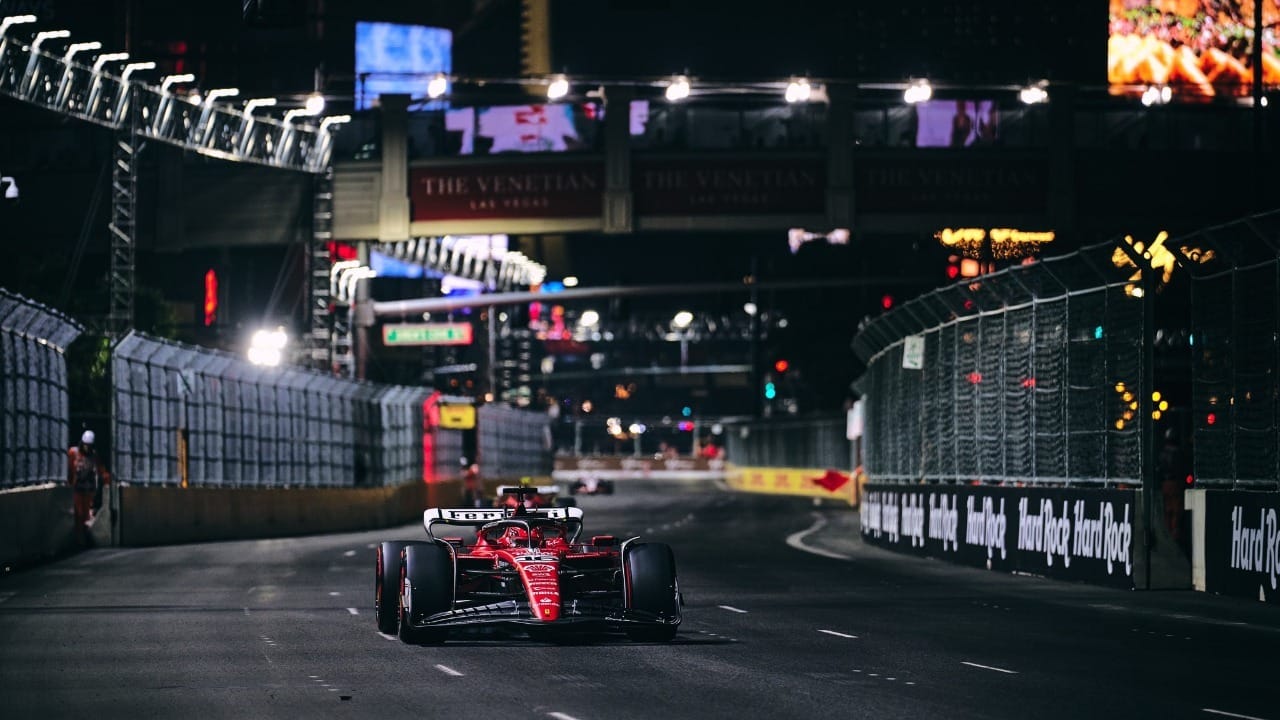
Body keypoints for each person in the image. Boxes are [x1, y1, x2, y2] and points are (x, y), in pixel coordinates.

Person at [67, 430, 110, 547]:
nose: (87, 448)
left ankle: (82, 539)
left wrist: (107, 480)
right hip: (76, 489)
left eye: (89, 446)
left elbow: (101, 469)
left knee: (85, 515)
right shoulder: (73, 453)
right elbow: (69, 469)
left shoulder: (94, 455)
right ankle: (78, 539)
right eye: (85, 445)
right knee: (78, 514)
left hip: (88, 489)